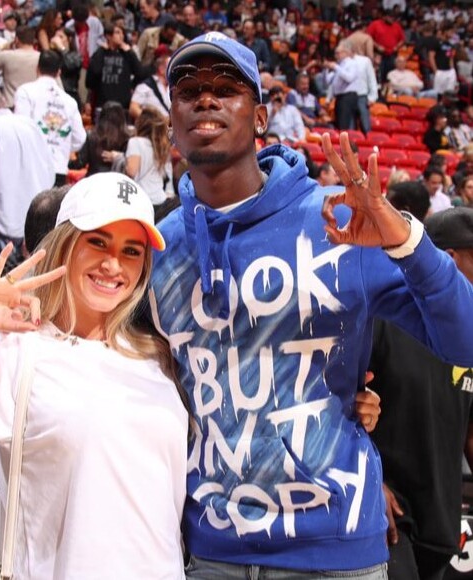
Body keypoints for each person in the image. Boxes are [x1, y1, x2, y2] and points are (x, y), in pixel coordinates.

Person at [150, 31, 473, 578]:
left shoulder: (339, 219)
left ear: (260, 116)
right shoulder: (159, 246)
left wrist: (405, 240)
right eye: (188, 87)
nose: (205, 98)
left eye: (226, 87)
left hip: (335, 551)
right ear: (173, 116)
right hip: (212, 552)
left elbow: (464, 340)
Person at [0, 172, 189, 579]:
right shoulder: (15, 351)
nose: (113, 264)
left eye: (131, 251)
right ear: (64, 246)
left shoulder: (159, 356)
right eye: (97, 241)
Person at [370, 205, 473, 580]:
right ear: (448, 260)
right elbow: (340, 404)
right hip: (390, 519)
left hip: (442, 523)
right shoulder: (384, 316)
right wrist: (369, 481)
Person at [0, 84, 54, 262]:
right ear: (4, 102)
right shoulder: (30, 125)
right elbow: (50, 171)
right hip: (35, 222)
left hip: (3, 226)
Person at [15, 50, 86, 186]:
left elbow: (20, 129)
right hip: (58, 167)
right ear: (58, 72)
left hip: (32, 167)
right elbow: (79, 138)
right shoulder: (69, 101)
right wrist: (62, 145)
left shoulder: (25, 92)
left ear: (37, 68)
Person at [125, 106, 174, 209]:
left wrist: (120, 160)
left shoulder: (135, 142)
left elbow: (131, 171)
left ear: (140, 123)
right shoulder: (162, 146)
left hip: (141, 201)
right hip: (160, 200)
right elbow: (168, 174)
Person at [0, 25, 40, 109]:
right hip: (33, 105)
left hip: (11, 106)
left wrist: (1, 47)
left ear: (16, 40)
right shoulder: (41, 58)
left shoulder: (7, 56)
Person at [70, 100, 131, 177]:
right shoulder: (128, 138)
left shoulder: (91, 135)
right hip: (117, 181)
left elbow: (80, 163)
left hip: (93, 180)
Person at [325, 40, 360, 131]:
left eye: (338, 53)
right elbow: (330, 81)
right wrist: (328, 69)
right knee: (339, 123)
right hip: (339, 97)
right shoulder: (339, 65)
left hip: (348, 96)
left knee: (344, 124)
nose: (336, 55)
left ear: (346, 52)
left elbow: (349, 78)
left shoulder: (352, 63)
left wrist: (336, 68)